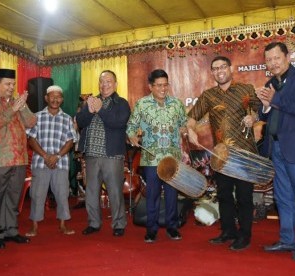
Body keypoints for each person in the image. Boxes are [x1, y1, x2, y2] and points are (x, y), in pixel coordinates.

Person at [187, 56, 261, 251]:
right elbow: (192, 117)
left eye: (223, 67)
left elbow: (260, 111)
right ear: (212, 73)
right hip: (221, 155)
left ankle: (244, 235)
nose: (219, 71)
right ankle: (228, 231)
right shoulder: (208, 95)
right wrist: (191, 130)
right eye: (215, 68)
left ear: (230, 68)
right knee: (225, 195)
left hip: (244, 154)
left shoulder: (246, 89)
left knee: (244, 197)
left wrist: (252, 118)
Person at [257, 42, 295, 262]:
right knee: (282, 198)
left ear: (287, 57)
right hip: (276, 148)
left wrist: (275, 99)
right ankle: (287, 239)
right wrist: (264, 106)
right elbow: (265, 115)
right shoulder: (270, 83)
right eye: (268, 60)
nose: (272, 63)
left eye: (276, 58)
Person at [0, 69, 37, 249]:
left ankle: (11, 230)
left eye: (13, 84)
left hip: (18, 159)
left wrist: (23, 105)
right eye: (7, 84)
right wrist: (13, 109)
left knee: (13, 198)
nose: (11, 87)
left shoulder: (16, 103)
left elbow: (31, 122)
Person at [127, 69, 187, 243]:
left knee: (171, 195)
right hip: (151, 158)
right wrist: (132, 136)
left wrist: (184, 130)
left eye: (165, 85)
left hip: (172, 159)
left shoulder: (177, 104)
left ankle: (172, 227)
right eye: (159, 85)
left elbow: (184, 122)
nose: (163, 89)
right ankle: (151, 229)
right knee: (152, 195)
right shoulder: (141, 104)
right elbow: (131, 126)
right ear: (150, 87)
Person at [76, 70, 130, 237]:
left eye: (108, 81)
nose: (104, 84)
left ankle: (119, 224)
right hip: (91, 155)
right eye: (102, 81)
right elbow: (80, 122)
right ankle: (93, 223)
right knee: (91, 191)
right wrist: (89, 110)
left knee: (114, 191)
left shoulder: (121, 103)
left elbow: (118, 122)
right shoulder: (92, 101)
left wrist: (100, 110)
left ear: (115, 84)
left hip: (112, 155)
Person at [25, 85, 76, 237]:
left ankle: (63, 225)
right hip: (41, 162)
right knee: (37, 195)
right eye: (52, 96)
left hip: (61, 163)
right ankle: (34, 226)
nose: (55, 99)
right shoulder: (36, 117)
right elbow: (31, 139)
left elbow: (71, 141)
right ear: (46, 98)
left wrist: (57, 156)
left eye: (58, 97)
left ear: (62, 99)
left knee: (62, 195)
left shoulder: (67, 118)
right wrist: (46, 156)